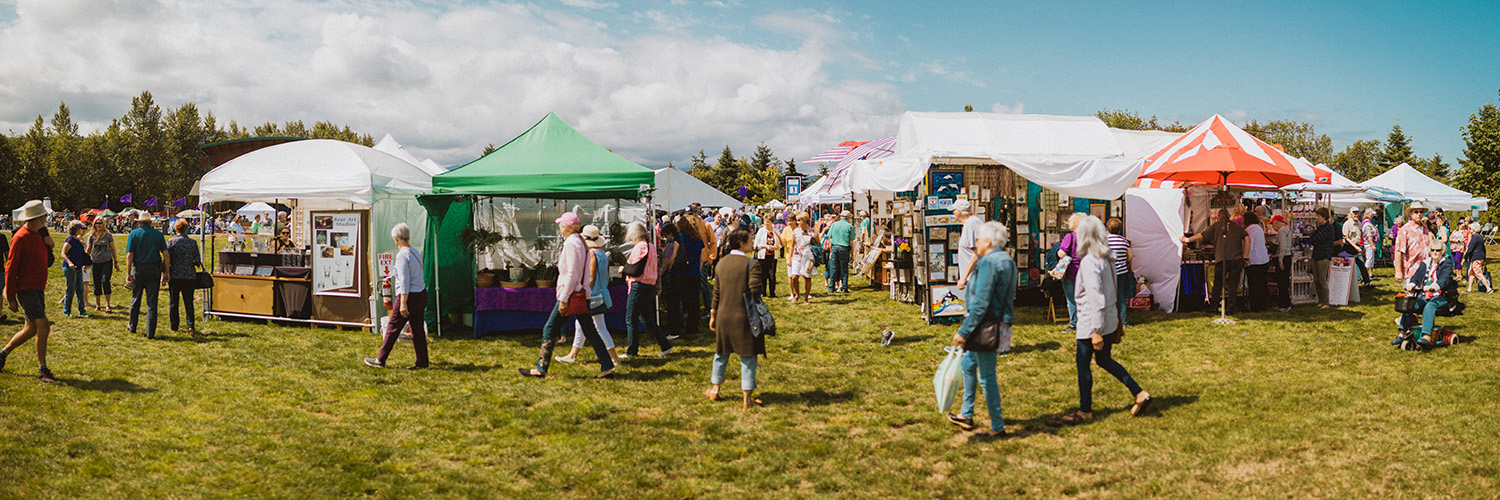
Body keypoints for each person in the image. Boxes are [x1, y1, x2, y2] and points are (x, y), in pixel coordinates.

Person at [1062, 216, 1151, 423]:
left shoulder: (1090, 262)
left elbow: (1095, 296)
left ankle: (1085, 410)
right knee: (1104, 360)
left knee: (1083, 364)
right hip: (1109, 318)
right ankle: (1138, 393)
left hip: (1093, 321)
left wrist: (1095, 330)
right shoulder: (1107, 258)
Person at [519, 212, 614, 379]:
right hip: (581, 294)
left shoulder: (571, 243)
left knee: (549, 329)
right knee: (591, 331)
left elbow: (571, 274)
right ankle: (606, 366)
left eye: (560, 225)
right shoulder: (581, 243)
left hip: (570, 295)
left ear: (565, 227)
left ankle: (541, 368)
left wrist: (563, 299)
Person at [946, 221, 1015, 437]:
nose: (975, 243)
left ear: (988, 240)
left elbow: (981, 303)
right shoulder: (1007, 260)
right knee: (967, 363)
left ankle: (997, 427)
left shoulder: (988, 263)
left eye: (978, 239)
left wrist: (963, 331)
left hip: (986, 325)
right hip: (998, 322)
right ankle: (966, 413)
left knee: (987, 377)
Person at [705, 228, 766, 410]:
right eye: (749, 240)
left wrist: (713, 314)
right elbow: (755, 289)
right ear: (741, 243)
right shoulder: (751, 264)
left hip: (723, 314)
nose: (752, 242)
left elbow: (716, 293)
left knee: (721, 354)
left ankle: (715, 389)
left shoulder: (721, 264)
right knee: (748, 357)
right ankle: (747, 399)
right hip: (744, 316)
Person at [1, 200, 59, 382]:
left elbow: (48, 262)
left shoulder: (38, 236)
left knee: (30, 329)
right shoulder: (20, 237)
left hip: (37, 289)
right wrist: (10, 297)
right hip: (26, 289)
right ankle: (43, 370)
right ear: (38, 217)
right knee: (44, 326)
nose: (47, 218)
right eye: (45, 216)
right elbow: (11, 268)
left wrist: (49, 246)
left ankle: (2, 354)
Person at [365, 223, 430, 369]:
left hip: (409, 296)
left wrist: (403, 303)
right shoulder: (414, 252)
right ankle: (422, 361)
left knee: (393, 327)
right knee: (417, 329)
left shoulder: (402, 255)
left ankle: (380, 360)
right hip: (421, 294)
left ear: (396, 239)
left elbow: (404, 280)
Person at [557, 225, 621, 367]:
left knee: (598, 327)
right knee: (581, 325)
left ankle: (614, 358)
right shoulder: (602, 253)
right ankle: (572, 354)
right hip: (602, 293)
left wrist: (584, 292)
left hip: (594, 295)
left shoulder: (591, 254)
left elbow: (591, 277)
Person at [1181, 208, 1248, 314]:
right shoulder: (1236, 226)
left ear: (1219, 216)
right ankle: (1230, 308)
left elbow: (1202, 235)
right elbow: (1247, 237)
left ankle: (1214, 307)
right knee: (1233, 285)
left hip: (1222, 259)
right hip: (1236, 259)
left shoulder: (1216, 226)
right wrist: (1246, 255)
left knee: (1217, 284)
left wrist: (1188, 239)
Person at [622, 221, 672, 358]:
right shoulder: (651, 246)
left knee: (631, 319)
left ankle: (632, 351)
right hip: (649, 285)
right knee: (647, 319)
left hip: (639, 285)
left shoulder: (640, 247)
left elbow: (635, 269)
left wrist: (623, 269)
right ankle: (665, 345)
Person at [1395, 239, 1458, 346]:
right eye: (1432, 250)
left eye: (1438, 250)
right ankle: (1402, 333)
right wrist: (1411, 284)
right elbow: (1416, 277)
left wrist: (1433, 287)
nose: (1435, 252)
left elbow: (1445, 279)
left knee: (1430, 306)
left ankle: (1426, 336)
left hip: (1442, 296)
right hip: (1425, 295)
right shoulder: (1425, 263)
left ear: (1442, 251)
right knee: (1408, 303)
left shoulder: (1446, 263)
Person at [126, 210, 171, 338]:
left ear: (139, 222)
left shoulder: (133, 234)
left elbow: (129, 255)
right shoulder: (158, 234)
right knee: (152, 302)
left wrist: (128, 273)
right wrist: (166, 271)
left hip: (139, 269)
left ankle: (132, 326)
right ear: (151, 222)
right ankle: (150, 332)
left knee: (136, 299)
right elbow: (166, 254)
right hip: (154, 269)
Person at [666, 217, 705, 339]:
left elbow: (674, 255)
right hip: (694, 274)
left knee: (674, 303)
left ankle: (675, 330)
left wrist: (670, 267)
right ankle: (692, 328)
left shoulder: (679, 237)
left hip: (680, 273)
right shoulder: (699, 239)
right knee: (693, 303)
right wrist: (697, 270)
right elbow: (701, 259)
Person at [165, 220, 203, 337]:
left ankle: (174, 326)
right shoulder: (192, 243)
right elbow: (197, 261)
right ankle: (190, 325)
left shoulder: (171, 242)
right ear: (187, 229)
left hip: (175, 275)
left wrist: (165, 273)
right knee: (189, 302)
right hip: (189, 276)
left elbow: (167, 259)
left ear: (176, 229)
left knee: (174, 302)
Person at [1307, 207, 1344, 308]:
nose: (1317, 218)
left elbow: (1317, 238)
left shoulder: (1328, 227)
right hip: (1317, 255)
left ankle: (1326, 302)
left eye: (1318, 216)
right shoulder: (1321, 227)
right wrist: (1314, 239)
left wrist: (1314, 239)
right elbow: (1313, 238)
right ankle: (1321, 300)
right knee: (1317, 279)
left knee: (1322, 280)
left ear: (1323, 217)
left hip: (1324, 256)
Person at [1058, 213, 1086, 332]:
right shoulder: (1089, 237)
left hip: (1072, 271)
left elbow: (1061, 253)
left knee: (1071, 298)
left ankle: (1074, 323)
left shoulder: (1070, 237)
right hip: (1087, 271)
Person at [1105, 218, 1135, 325]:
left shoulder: (1104, 240)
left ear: (1107, 228)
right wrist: (1123, 260)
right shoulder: (1124, 240)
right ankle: (1123, 322)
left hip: (1108, 272)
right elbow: (1130, 256)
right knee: (1121, 296)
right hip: (1122, 272)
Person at [1393, 203, 1430, 282]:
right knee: (1412, 293)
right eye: (1416, 212)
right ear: (1410, 214)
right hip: (1411, 271)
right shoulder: (1405, 230)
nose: (1419, 214)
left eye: (1421, 212)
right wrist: (1398, 271)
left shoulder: (1425, 228)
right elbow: (1398, 251)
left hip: (1426, 270)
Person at [61, 221, 91, 318]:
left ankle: (82, 310)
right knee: (71, 289)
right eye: (81, 228)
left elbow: (82, 254)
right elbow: (63, 253)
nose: (83, 230)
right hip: (70, 268)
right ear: (76, 229)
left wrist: (83, 265)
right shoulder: (69, 240)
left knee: (80, 289)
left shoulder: (78, 240)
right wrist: (69, 262)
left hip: (78, 267)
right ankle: (66, 311)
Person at [87, 218, 117, 313]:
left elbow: (113, 249)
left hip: (106, 262)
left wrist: (116, 262)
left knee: (105, 281)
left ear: (103, 224)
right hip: (95, 263)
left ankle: (107, 305)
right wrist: (85, 262)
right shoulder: (91, 236)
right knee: (96, 283)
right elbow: (88, 249)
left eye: (100, 223)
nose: (98, 225)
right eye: (96, 223)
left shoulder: (108, 235)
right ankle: (98, 304)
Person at [1242, 212, 1270, 313]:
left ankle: (1255, 306)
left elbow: (1250, 245)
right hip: (1263, 259)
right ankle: (1263, 304)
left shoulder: (1249, 230)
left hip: (1254, 260)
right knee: (1262, 283)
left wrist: (1246, 257)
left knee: (1254, 285)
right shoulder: (1259, 228)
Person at [953, 199, 983, 291]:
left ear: (959, 212)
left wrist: (964, 277)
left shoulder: (972, 224)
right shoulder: (968, 224)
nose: (953, 213)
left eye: (954, 210)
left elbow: (977, 252)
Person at [787, 214, 815, 304]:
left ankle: (806, 298)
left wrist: (812, 248)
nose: (798, 222)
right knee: (794, 277)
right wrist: (789, 258)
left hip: (808, 257)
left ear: (805, 221)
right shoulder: (795, 231)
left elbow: (818, 244)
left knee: (806, 277)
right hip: (796, 256)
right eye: (797, 220)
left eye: (799, 220)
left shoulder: (813, 232)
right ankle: (797, 294)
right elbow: (792, 245)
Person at [826, 210, 855, 293]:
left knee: (833, 267)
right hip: (844, 248)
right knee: (844, 268)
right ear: (849, 217)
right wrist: (852, 254)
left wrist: (831, 250)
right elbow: (851, 241)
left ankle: (831, 287)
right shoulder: (850, 226)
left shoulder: (834, 224)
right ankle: (844, 286)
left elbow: (829, 237)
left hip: (835, 247)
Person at [1270, 215, 1294, 312]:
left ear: (1277, 223)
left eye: (1273, 224)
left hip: (1283, 257)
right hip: (1286, 257)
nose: (1272, 227)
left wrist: (1280, 259)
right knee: (1282, 281)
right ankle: (1282, 303)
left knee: (1282, 282)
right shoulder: (1286, 230)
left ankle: (1285, 305)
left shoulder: (1281, 231)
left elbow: (1283, 246)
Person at [1463, 220, 1493, 293]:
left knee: (1478, 273)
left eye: (1470, 229)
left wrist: (1464, 258)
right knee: (1471, 272)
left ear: (1473, 229)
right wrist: (1484, 259)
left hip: (1476, 258)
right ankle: (1469, 288)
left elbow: (1470, 248)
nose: (1469, 230)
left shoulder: (1475, 237)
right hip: (1478, 257)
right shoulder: (1479, 236)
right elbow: (1483, 248)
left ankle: (1488, 288)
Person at [1342, 208, 1370, 286]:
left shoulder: (1359, 223)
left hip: (1357, 246)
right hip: (1349, 247)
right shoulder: (1347, 224)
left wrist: (1363, 247)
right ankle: (1350, 283)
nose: (1356, 215)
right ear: (1351, 214)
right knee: (1348, 266)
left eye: (1357, 213)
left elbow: (1360, 235)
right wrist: (1355, 247)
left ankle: (1367, 282)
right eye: (1354, 213)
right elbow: (1346, 237)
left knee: (1362, 265)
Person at [754, 219, 781, 298]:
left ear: (772, 222)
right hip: (762, 256)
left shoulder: (775, 231)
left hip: (773, 256)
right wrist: (765, 246)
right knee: (763, 274)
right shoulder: (761, 231)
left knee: (772, 275)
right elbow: (755, 245)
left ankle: (772, 292)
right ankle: (763, 292)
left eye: (768, 221)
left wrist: (775, 247)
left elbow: (780, 244)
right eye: (765, 221)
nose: (766, 223)